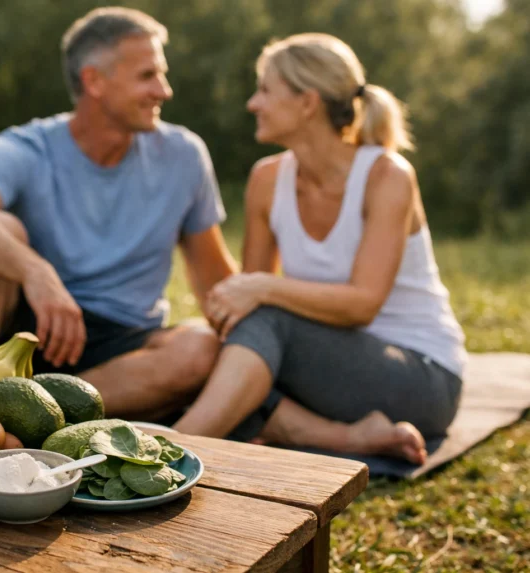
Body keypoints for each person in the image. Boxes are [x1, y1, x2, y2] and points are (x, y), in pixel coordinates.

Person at [0, 7, 237, 421]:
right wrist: (38, 273)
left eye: (161, 74)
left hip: (125, 347)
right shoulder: (29, 148)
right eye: (147, 76)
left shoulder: (184, 156)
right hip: (29, 330)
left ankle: (22, 415)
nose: (164, 90)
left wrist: (280, 315)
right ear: (94, 81)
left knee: (198, 347)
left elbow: (216, 283)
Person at [172, 33, 466, 465]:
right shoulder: (266, 180)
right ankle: (349, 438)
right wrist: (245, 301)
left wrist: (261, 289)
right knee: (228, 355)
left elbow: (363, 304)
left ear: (308, 102)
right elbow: (247, 312)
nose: (253, 103)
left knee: (252, 346)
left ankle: (171, 452)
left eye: (265, 90)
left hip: (420, 380)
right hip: (327, 375)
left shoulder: (387, 176)